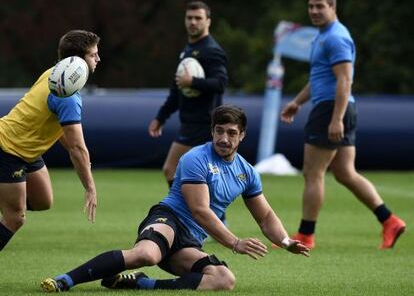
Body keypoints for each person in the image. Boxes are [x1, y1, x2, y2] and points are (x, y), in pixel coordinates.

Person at [40, 105, 309, 292]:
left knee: (223, 279)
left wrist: (286, 242)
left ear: (242, 136)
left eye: (231, 133)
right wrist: (235, 243)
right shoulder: (196, 158)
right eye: (219, 131)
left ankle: (141, 284)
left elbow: (265, 216)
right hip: (168, 220)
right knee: (146, 253)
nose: (224, 138)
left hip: (189, 240)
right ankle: (65, 280)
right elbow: (200, 211)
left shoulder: (247, 172)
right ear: (212, 131)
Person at [279, 0, 405, 250]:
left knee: (313, 174)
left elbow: (344, 79)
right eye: (311, 6)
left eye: (320, 6)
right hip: (335, 108)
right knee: (346, 173)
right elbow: (319, 79)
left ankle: (305, 235)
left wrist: (336, 119)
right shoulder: (322, 36)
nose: (314, 11)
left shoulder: (336, 37)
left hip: (332, 110)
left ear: (333, 7)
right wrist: (296, 102)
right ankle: (389, 220)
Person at [0, 30, 100, 252]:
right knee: (15, 218)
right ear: (78, 61)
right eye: (93, 55)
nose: (98, 59)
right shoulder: (68, 97)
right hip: (7, 149)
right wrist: (90, 187)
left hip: (27, 150)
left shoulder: (53, 73)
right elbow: (77, 148)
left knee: (43, 200)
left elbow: (62, 131)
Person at [148, 1, 228, 188]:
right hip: (190, 123)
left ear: (208, 21)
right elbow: (177, 90)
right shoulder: (188, 50)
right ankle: (202, 214)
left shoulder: (212, 51)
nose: (193, 22)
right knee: (198, 176)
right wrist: (161, 117)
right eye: (189, 18)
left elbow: (220, 83)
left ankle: (190, 213)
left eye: (198, 18)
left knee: (172, 169)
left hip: (203, 123)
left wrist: (193, 81)